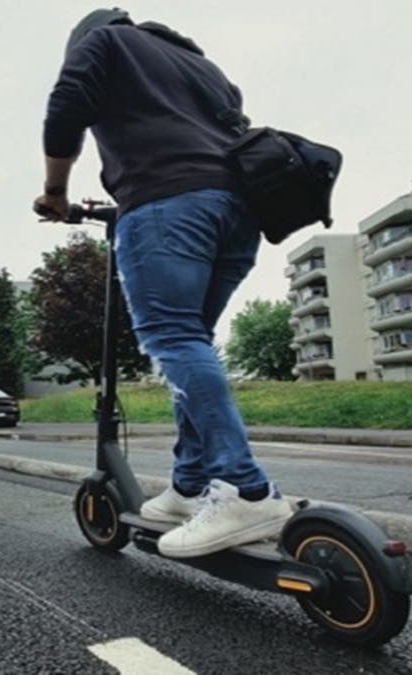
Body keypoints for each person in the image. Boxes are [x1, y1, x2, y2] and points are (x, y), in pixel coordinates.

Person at [34, 8, 291, 559]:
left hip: (166, 205)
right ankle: (189, 483)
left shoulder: (103, 42)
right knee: (191, 340)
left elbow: (65, 105)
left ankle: (247, 490)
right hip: (236, 210)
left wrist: (55, 193)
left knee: (172, 339)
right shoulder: (203, 67)